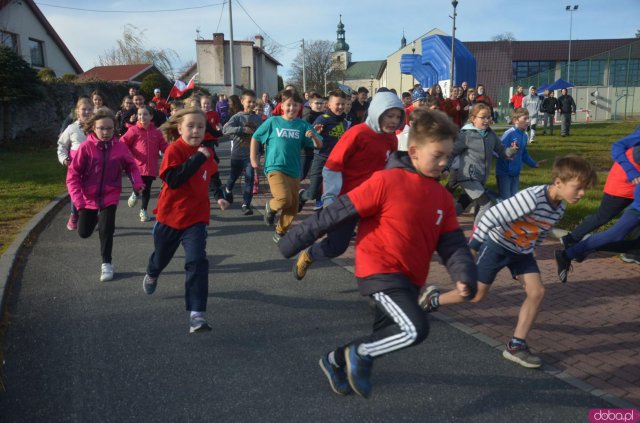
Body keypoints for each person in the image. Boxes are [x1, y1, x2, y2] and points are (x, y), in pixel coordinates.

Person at [278, 108, 477, 398]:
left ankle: (334, 361)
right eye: (438, 156)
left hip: (410, 278)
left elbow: (453, 244)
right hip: (380, 271)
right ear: (414, 151)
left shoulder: (443, 198)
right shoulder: (386, 182)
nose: (444, 163)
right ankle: (360, 354)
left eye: (448, 157)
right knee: (415, 329)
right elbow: (336, 213)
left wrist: (464, 274)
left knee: (390, 334)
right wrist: (293, 240)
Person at [426, 155, 597, 369]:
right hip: (497, 245)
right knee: (475, 295)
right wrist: (472, 247)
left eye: (584, 190)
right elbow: (491, 216)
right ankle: (433, 300)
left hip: (522, 252)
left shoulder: (559, 208)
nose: (581, 194)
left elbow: (542, 230)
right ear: (558, 182)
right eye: (578, 188)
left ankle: (516, 346)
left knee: (537, 292)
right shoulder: (532, 197)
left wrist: (533, 249)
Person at [291, 92, 405, 280]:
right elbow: (333, 166)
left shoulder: (392, 139)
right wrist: (329, 198)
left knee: (384, 240)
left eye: (398, 116)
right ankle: (310, 254)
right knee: (337, 246)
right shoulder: (357, 133)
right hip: (347, 199)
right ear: (377, 113)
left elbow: (388, 168)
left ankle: (380, 283)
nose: (394, 121)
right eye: (389, 115)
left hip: (373, 200)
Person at [143, 108, 224, 333]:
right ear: (179, 128)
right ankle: (152, 271)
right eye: (191, 126)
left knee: (197, 260)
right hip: (170, 216)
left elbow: (214, 174)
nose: (196, 130)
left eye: (201, 126)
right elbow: (175, 179)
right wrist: (198, 157)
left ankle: (197, 314)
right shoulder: (174, 150)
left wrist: (220, 196)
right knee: (161, 256)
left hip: (196, 217)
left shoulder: (206, 151)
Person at [66, 108, 144, 282]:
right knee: (84, 232)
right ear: (93, 127)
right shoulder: (86, 148)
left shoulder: (120, 147)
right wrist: (78, 201)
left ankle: (107, 264)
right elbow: (73, 176)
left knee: (106, 229)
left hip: (110, 194)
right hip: (88, 198)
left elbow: (131, 166)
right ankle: (91, 219)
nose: (106, 132)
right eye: (101, 128)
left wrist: (137, 183)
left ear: (114, 128)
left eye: (109, 128)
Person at [555, 135, 640, 282]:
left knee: (633, 244)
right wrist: (630, 171)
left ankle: (584, 247)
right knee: (608, 224)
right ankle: (573, 247)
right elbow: (618, 146)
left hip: (632, 190)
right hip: (624, 188)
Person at [250, 89, 323, 242]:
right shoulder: (273, 121)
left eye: (295, 105)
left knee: (293, 205)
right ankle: (270, 206)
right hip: (275, 167)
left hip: (293, 170)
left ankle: (280, 232)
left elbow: (319, 144)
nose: (292, 108)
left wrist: (314, 137)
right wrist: (253, 159)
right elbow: (256, 137)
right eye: (289, 105)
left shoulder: (303, 125)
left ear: (300, 107)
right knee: (283, 198)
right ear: (282, 106)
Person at [447, 103, 518, 225]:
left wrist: (511, 150)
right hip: (468, 177)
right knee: (486, 203)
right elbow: (451, 152)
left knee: (463, 203)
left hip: (480, 179)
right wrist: (445, 168)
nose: (487, 120)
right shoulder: (466, 135)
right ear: (473, 118)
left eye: (489, 117)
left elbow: (502, 151)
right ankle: (477, 235)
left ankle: (441, 222)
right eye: (483, 117)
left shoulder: (491, 135)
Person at [299, 89, 347, 212]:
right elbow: (310, 135)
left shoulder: (344, 122)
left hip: (336, 161)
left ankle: (326, 216)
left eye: (343, 104)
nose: (341, 107)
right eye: (337, 104)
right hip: (321, 158)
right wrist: (315, 133)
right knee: (313, 193)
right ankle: (302, 196)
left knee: (332, 191)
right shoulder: (323, 119)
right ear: (329, 105)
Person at [120, 105, 168, 222]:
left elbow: (164, 146)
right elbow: (123, 142)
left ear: (151, 116)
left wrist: (172, 151)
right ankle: (135, 194)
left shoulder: (156, 132)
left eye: (145, 114)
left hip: (151, 166)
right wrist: (128, 154)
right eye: (140, 114)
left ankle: (143, 211)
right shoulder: (133, 130)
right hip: (137, 165)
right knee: (139, 185)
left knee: (147, 189)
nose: (142, 117)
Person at [223, 89, 263, 215]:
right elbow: (225, 129)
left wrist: (260, 151)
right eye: (249, 102)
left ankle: (246, 204)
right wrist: (242, 129)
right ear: (242, 101)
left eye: (253, 102)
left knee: (250, 178)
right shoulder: (237, 117)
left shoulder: (257, 118)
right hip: (237, 153)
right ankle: (228, 190)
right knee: (233, 177)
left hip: (251, 155)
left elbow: (262, 134)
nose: (251, 104)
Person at [57, 97, 94, 230]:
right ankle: (74, 214)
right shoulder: (71, 128)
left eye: (90, 109)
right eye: (84, 109)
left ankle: (95, 215)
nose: (87, 112)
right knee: (76, 191)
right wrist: (64, 158)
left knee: (93, 191)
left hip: (95, 167)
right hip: (76, 167)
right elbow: (62, 145)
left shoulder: (98, 126)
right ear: (77, 111)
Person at [495, 108, 544, 200]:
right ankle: (489, 198)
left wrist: (534, 164)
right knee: (506, 200)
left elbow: (523, 153)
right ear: (515, 120)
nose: (528, 121)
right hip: (504, 173)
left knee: (513, 199)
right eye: (525, 119)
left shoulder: (525, 135)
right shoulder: (509, 134)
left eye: (528, 118)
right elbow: (497, 150)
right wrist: (505, 156)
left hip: (516, 173)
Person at [300, 92, 326, 181]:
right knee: (301, 175)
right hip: (307, 151)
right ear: (310, 104)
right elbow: (304, 134)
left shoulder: (324, 116)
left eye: (321, 103)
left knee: (317, 176)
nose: (319, 105)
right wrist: (313, 132)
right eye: (317, 103)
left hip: (320, 151)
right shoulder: (307, 117)